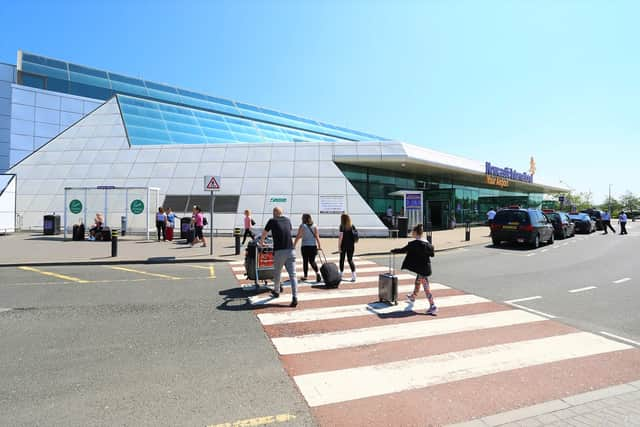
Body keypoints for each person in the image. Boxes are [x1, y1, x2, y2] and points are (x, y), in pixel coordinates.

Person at [391, 223, 437, 315]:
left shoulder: (414, 244)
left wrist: (393, 250)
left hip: (422, 270)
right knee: (417, 281)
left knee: (426, 288)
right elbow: (432, 254)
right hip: (426, 268)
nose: (411, 233)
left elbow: (403, 250)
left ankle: (433, 305)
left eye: (412, 232)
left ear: (416, 233)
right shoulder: (427, 243)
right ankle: (413, 296)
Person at [260, 207, 298, 307]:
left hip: (280, 251)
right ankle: (295, 297)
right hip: (291, 250)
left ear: (275, 213)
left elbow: (264, 233)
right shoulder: (288, 220)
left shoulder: (272, 221)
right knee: (293, 275)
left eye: (273, 212)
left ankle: (277, 291)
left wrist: (261, 242)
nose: (272, 214)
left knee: (277, 273)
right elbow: (288, 230)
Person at [294, 213, 322, 282]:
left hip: (305, 247)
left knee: (305, 261)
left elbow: (298, 236)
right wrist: (319, 246)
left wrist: (294, 245)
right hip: (313, 246)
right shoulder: (315, 226)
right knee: (312, 261)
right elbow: (317, 236)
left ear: (304, 218)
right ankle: (317, 273)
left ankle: (305, 276)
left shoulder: (302, 226)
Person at [338, 213, 357, 282]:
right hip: (351, 246)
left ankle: (340, 274)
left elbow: (340, 238)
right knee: (350, 260)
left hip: (343, 246)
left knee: (342, 260)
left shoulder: (342, 226)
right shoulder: (352, 226)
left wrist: (339, 247)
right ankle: (354, 275)